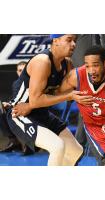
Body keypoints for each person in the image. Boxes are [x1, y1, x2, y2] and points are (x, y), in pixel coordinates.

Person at [6, 34, 93, 166]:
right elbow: (37, 100)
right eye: (69, 40)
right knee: (57, 146)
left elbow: (59, 92)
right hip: (20, 114)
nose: (74, 44)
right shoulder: (43, 61)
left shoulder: (67, 63)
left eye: (75, 41)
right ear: (55, 40)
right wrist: (69, 96)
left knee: (76, 151)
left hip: (40, 111)